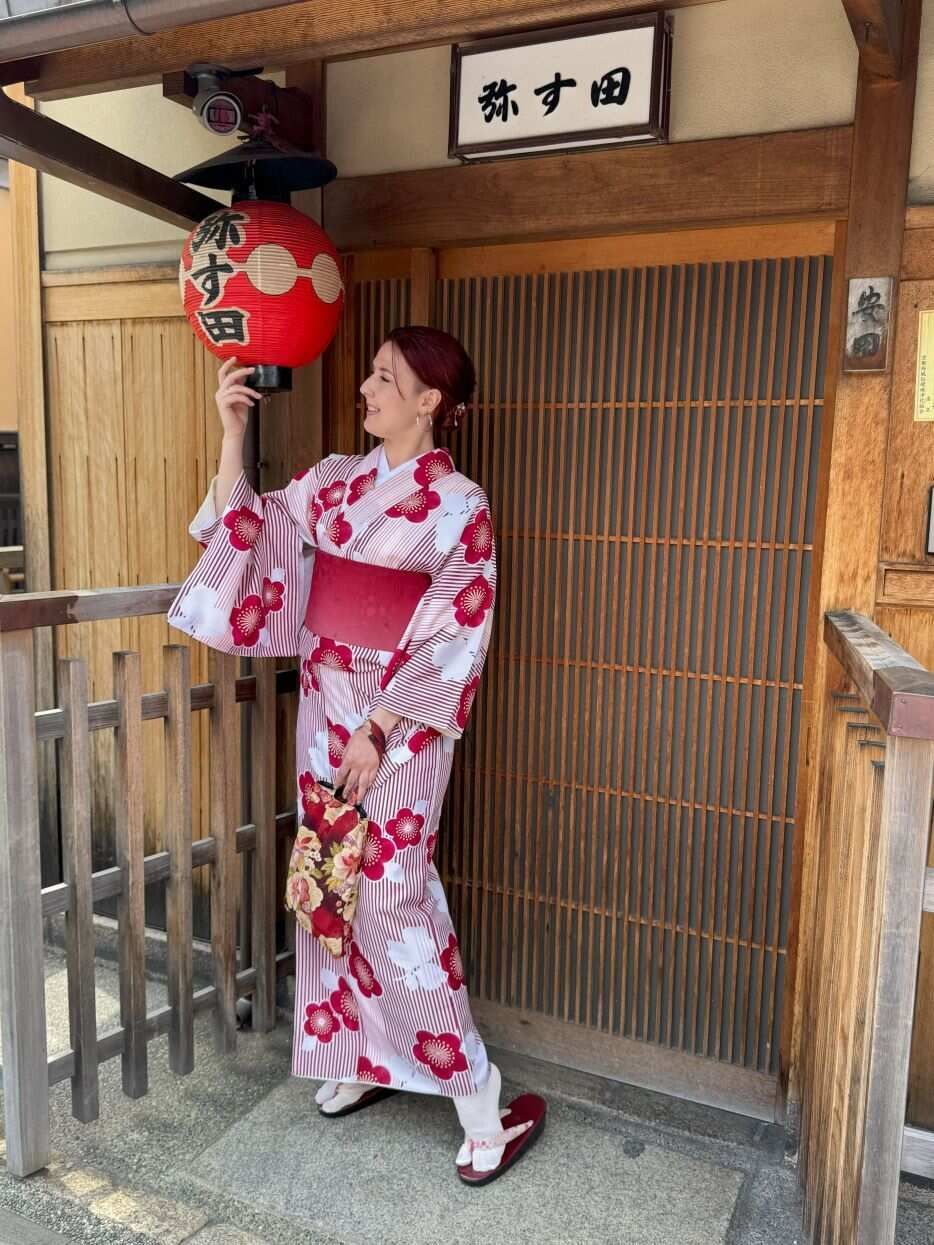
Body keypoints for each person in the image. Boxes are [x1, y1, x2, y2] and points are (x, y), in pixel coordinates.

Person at [167, 325, 545, 1184]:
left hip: (400, 723)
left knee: (392, 894)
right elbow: (249, 527)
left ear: (429, 401)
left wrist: (379, 726)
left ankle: (479, 1096)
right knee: (332, 882)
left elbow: (457, 624)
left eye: (385, 378)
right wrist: (232, 434)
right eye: (371, 374)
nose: (367, 389)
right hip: (325, 703)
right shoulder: (338, 479)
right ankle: (364, 1059)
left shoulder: (460, 506)